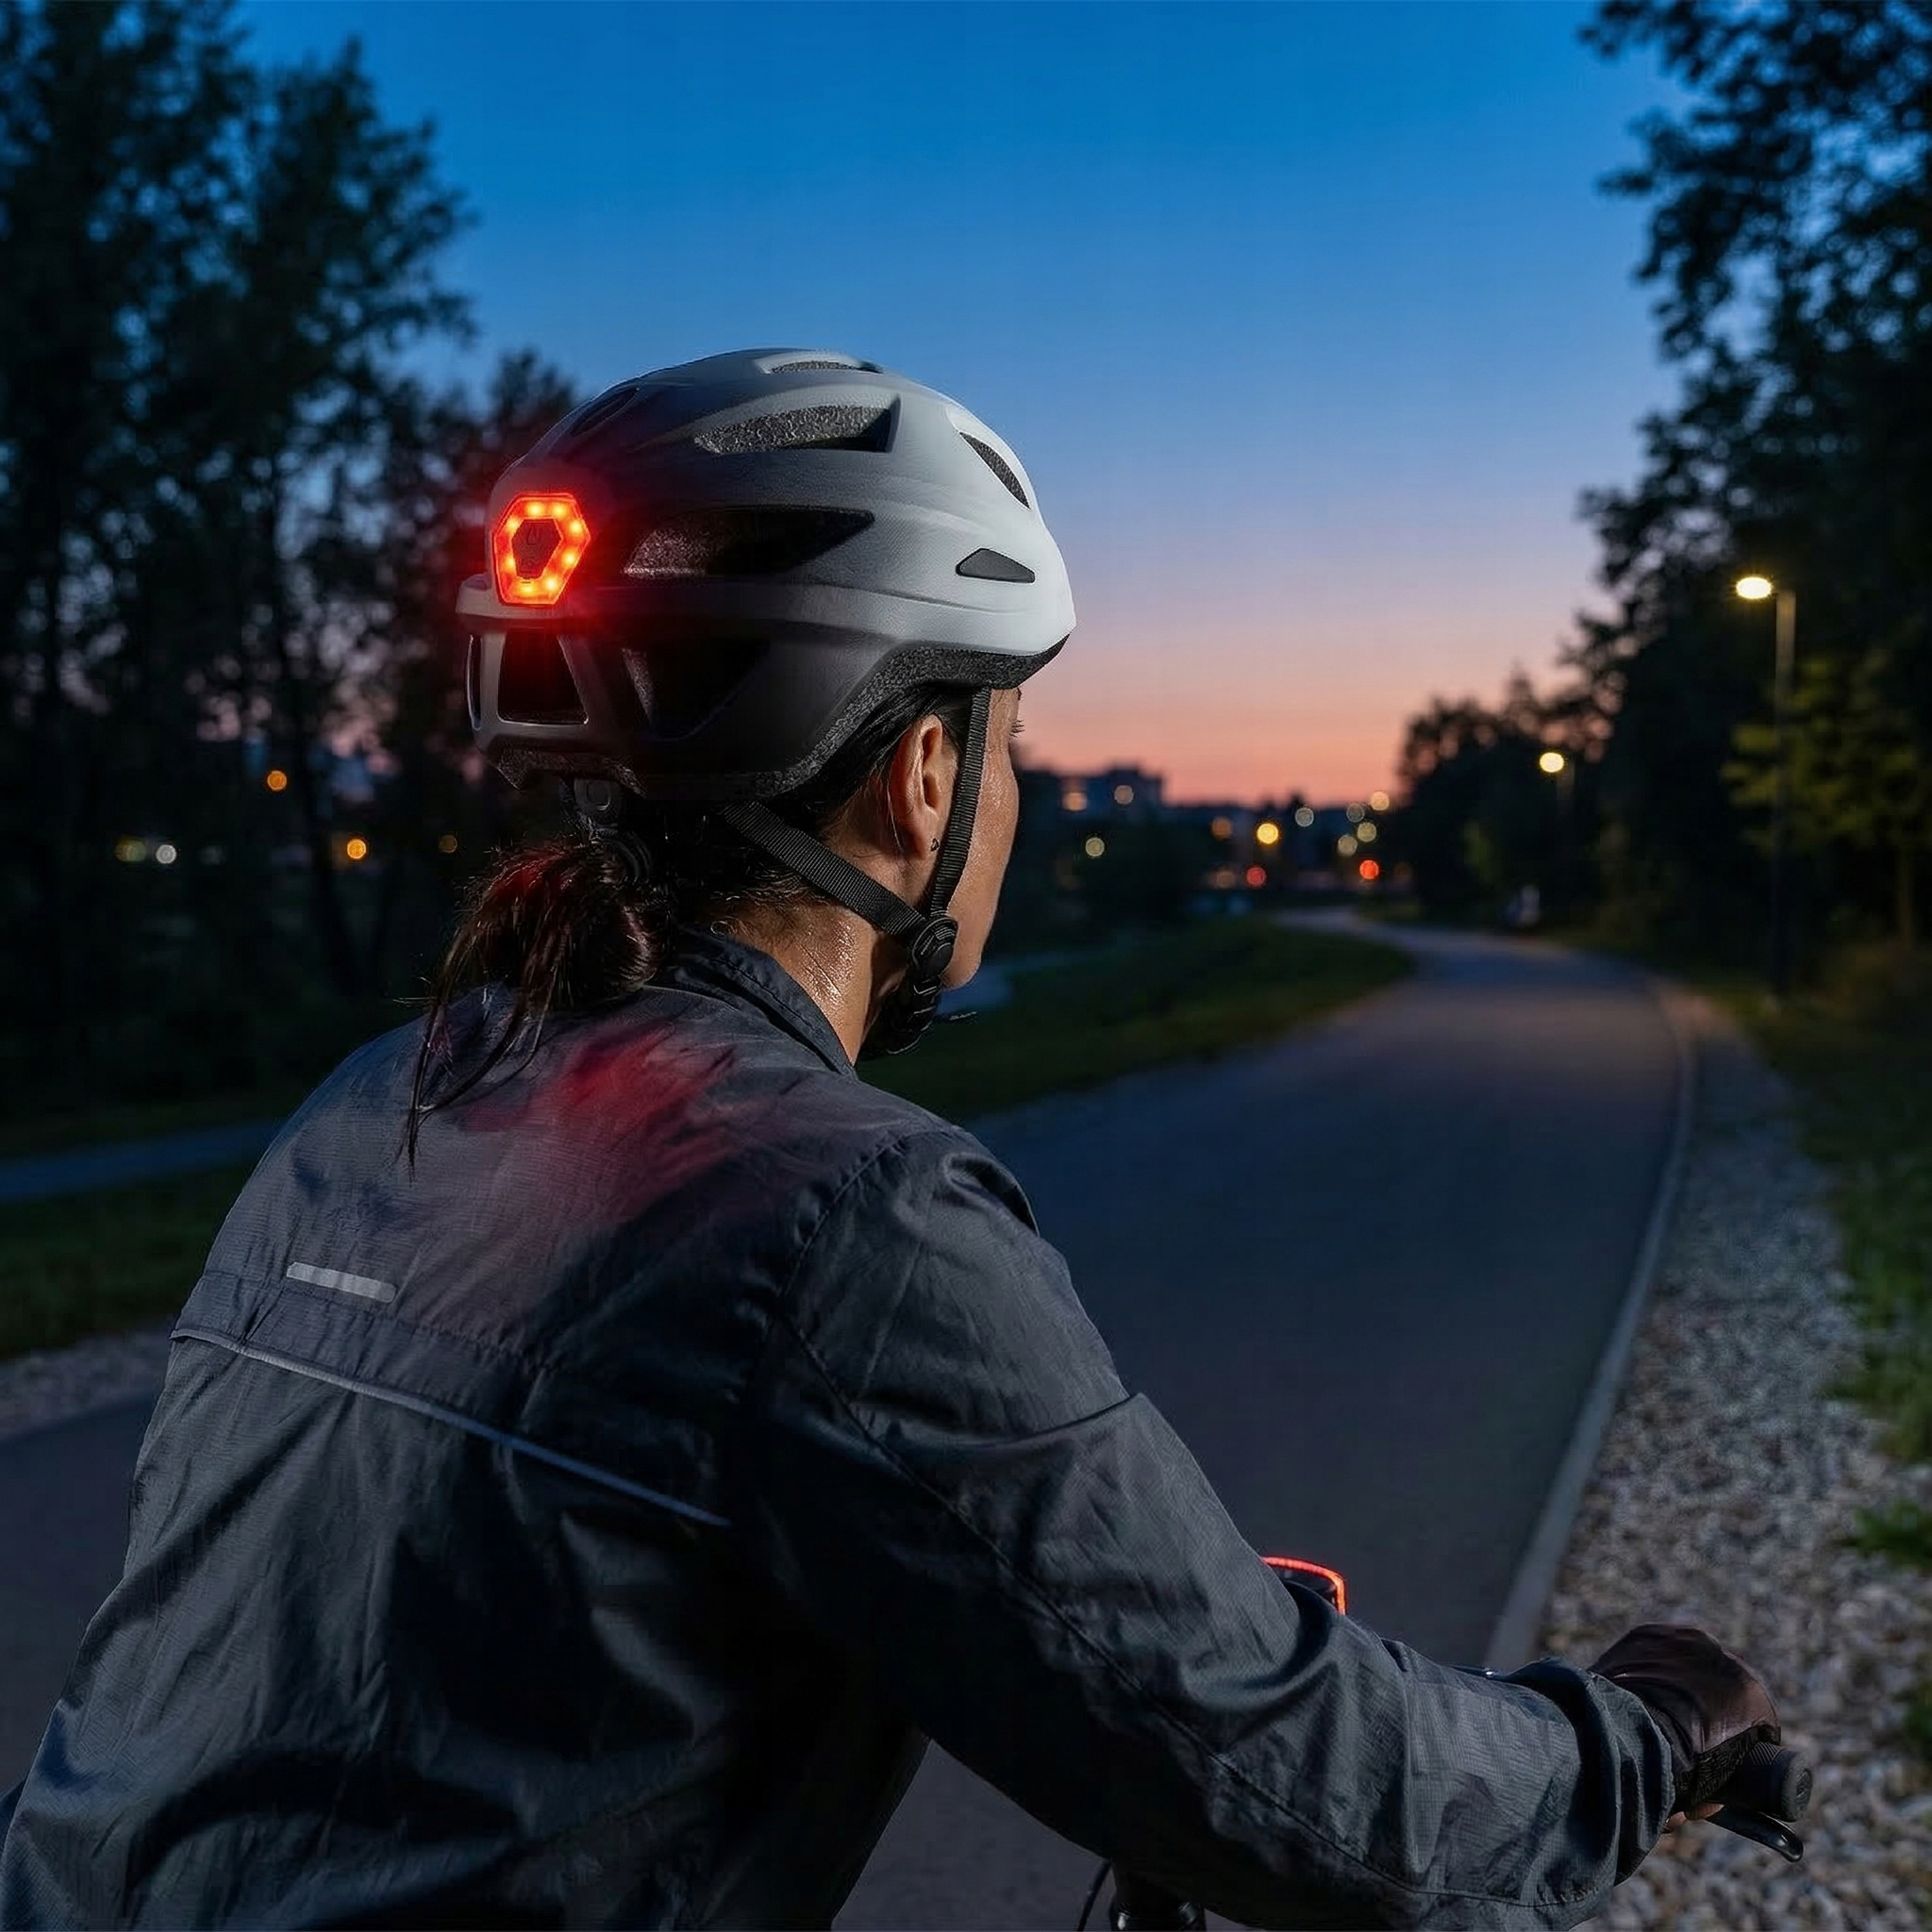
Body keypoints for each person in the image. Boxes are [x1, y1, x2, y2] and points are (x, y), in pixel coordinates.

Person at [0, 350, 1778, 1929]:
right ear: (921, 776)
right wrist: (1634, 1737)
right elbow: (1296, 1782)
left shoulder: (384, 1097)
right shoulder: (840, 1215)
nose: (1014, 793)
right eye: (1014, 741)